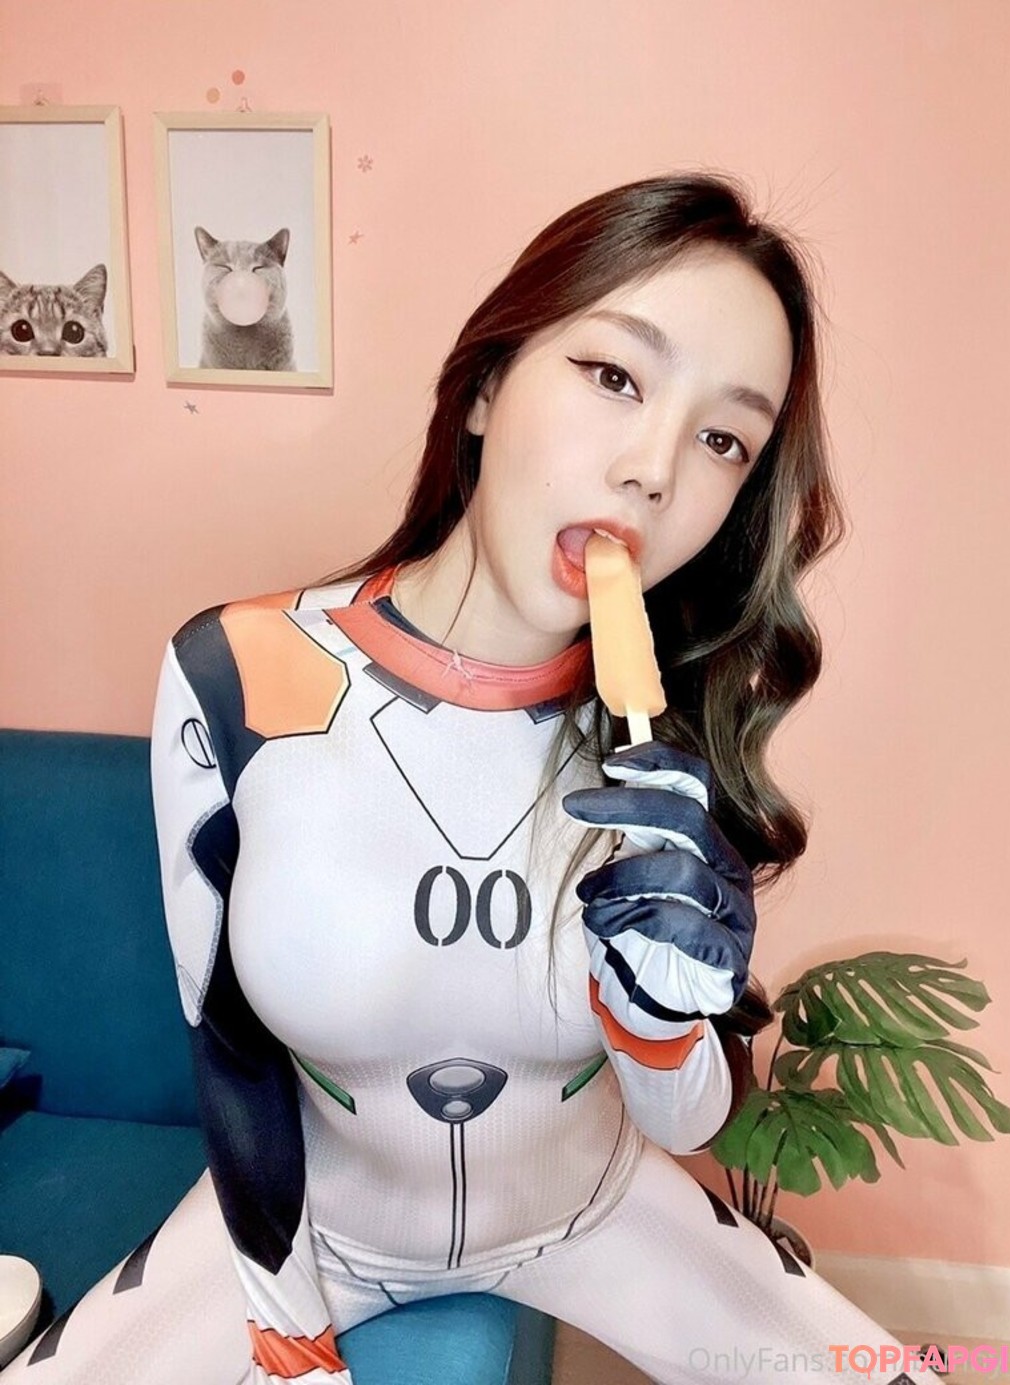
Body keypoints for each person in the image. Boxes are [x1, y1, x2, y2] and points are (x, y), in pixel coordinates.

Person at [7, 173, 919, 1384]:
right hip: (314, 1230)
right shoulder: (235, 673)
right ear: (488, 385)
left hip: (596, 1210)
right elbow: (227, 1040)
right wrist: (286, 1329)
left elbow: (691, 1117)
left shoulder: (677, 720)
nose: (654, 469)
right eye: (614, 375)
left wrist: (659, 1024)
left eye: (722, 439)